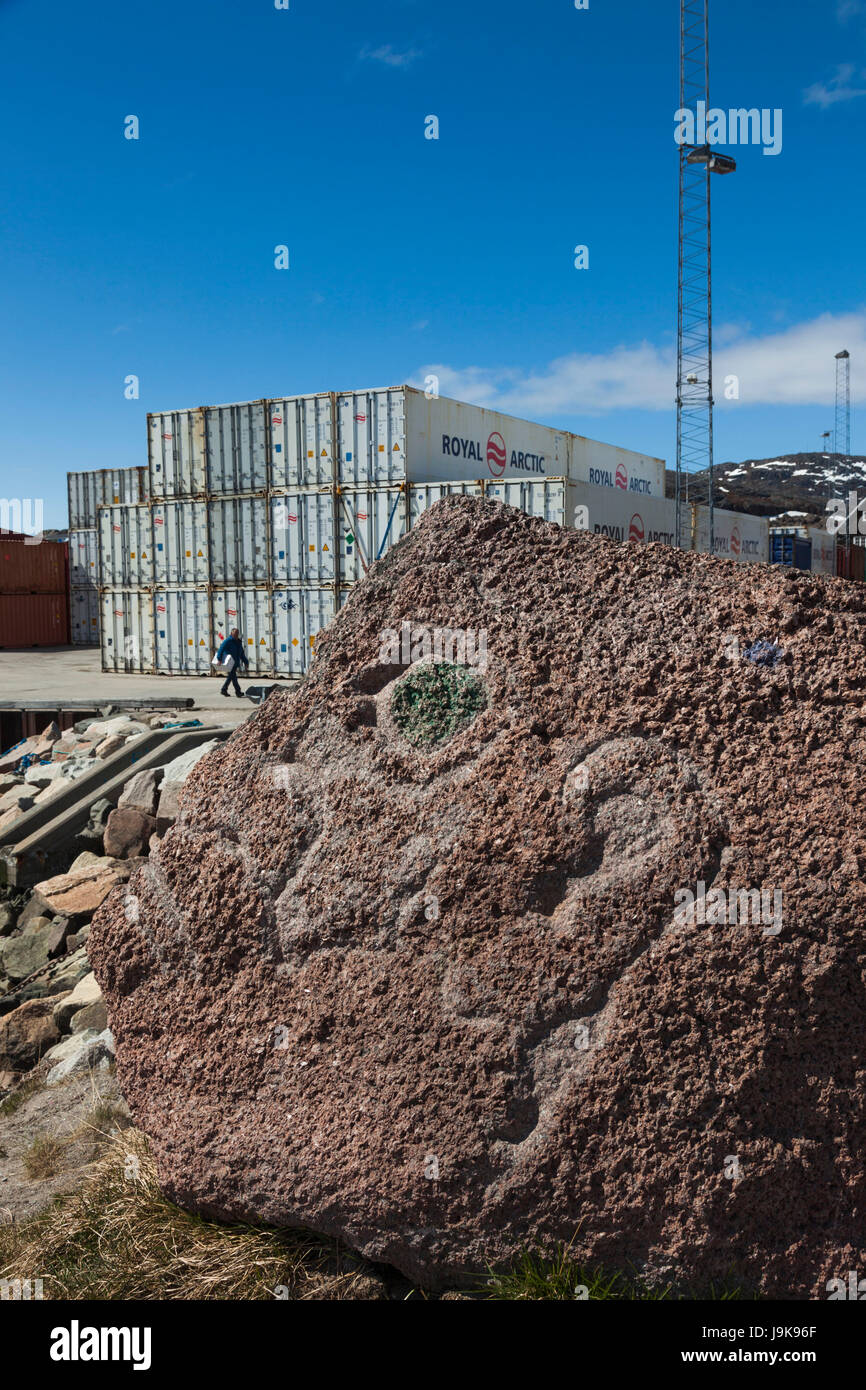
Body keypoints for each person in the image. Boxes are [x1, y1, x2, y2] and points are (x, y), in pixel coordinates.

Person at [216, 628, 249, 697]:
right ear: (231, 634)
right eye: (234, 633)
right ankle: (237, 691)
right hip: (229, 662)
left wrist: (246, 662)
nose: (236, 635)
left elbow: (241, 653)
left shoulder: (239, 642)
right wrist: (219, 659)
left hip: (235, 662)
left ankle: (225, 690)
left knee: (232, 677)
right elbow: (221, 649)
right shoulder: (228, 641)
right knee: (232, 676)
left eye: (237, 633)